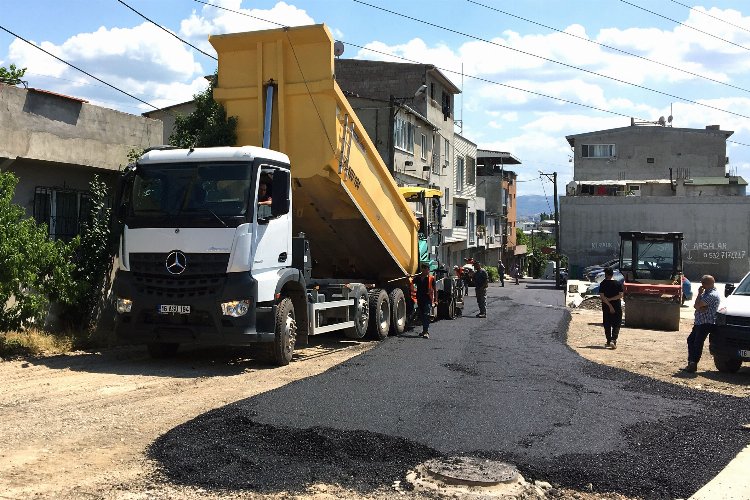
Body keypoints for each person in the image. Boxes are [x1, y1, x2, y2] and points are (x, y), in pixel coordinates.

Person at [683, 275, 720, 373]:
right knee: (691, 340)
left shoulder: (712, 295)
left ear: (709, 284)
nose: (702, 285)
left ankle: (693, 363)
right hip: (699, 322)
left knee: (697, 343)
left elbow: (698, 305)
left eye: (704, 283)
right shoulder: (705, 293)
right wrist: (700, 298)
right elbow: (696, 306)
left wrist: (700, 303)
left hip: (706, 323)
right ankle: (691, 362)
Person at [599, 267, 624, 349]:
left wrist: (609, 305)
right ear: (612, 274)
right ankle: (613, 340)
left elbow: (602, 297)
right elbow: (620, 295)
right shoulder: (618, 284)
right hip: (616, 306)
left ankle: (609, 341)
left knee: (607, 324)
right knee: (616, 324)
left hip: (606, 307)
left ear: (606, 274)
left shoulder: (603, 284)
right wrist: (612, 300)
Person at [414, 263, 436, 338]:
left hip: (427, 299)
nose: (425, 271)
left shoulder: (431, 278)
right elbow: (411, 282)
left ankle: (426, 332)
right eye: (423, 269)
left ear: (428, 270)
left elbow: (435, 290)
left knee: (426, 314)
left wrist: (435, 300)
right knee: (422, 315)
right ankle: (424, 331)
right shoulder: (418, 278)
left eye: (426, 269)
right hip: (420, 299)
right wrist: (409, 276)